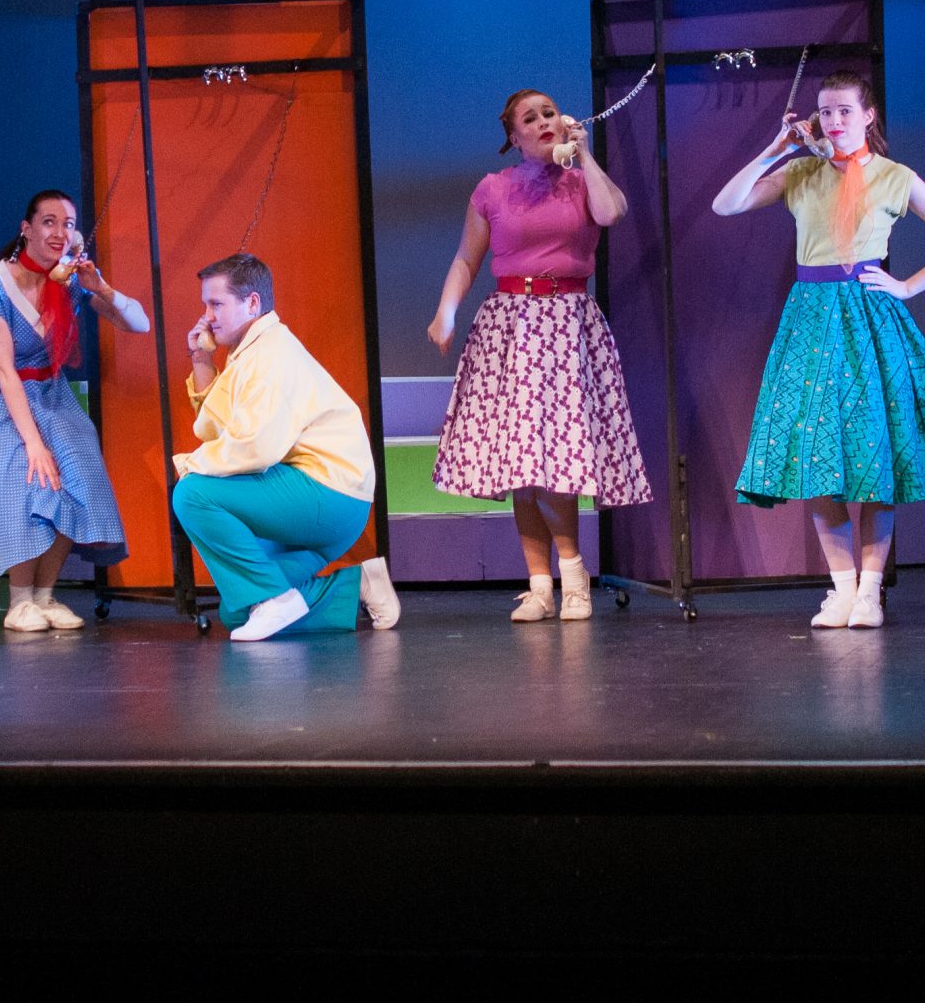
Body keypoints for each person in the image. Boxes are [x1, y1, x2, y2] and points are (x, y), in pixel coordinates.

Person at [710, 72, 925, 628]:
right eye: (825, 112)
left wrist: (906, 286)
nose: (833, 121)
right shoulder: (801, 173)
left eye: (844, 111)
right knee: (817, 456)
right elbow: (725, 204)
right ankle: (840, 589)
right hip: (811, 320)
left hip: (868, 319)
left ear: (868, 115)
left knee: (874, 456)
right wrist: (777, 149)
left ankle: (869, 592)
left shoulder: (895, 176)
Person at [428, 89, 652, 623]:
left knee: (557, 459)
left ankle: (573, 578)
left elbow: (611, 213)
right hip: (509, 326)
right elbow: (466, 259)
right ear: (514, 136)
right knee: (522, 464)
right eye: (530, 118)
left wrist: (585, 154)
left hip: (566, 323)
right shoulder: (493, 188)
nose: (544, 121)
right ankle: (539, 587)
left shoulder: (580, 182)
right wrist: (445, 313)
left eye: (550, 112)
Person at [0, 190, 149, 633]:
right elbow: (4, 371)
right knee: (29, 475)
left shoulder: (71, 281)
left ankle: (44, 596)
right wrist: (34, 443)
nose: (60, 232)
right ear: (27, 229)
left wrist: (101, 287)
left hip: (49, 393)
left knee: (78, 476)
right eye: (49, 221)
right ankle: (19, 601)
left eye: (68, 224)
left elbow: (139, 324)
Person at [172, 252, 399, 641]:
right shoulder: (253, 350)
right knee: (238, 611)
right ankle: (358, 585)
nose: (207, 316)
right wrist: (201, 358)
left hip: (328, 495)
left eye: (216, 304)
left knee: (192, 494)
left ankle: (276, 599)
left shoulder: (269, 357)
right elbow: (221, 427)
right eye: (205, 305)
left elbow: (255, 448)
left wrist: (191, 465)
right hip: (321, 500)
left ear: (252, 303)